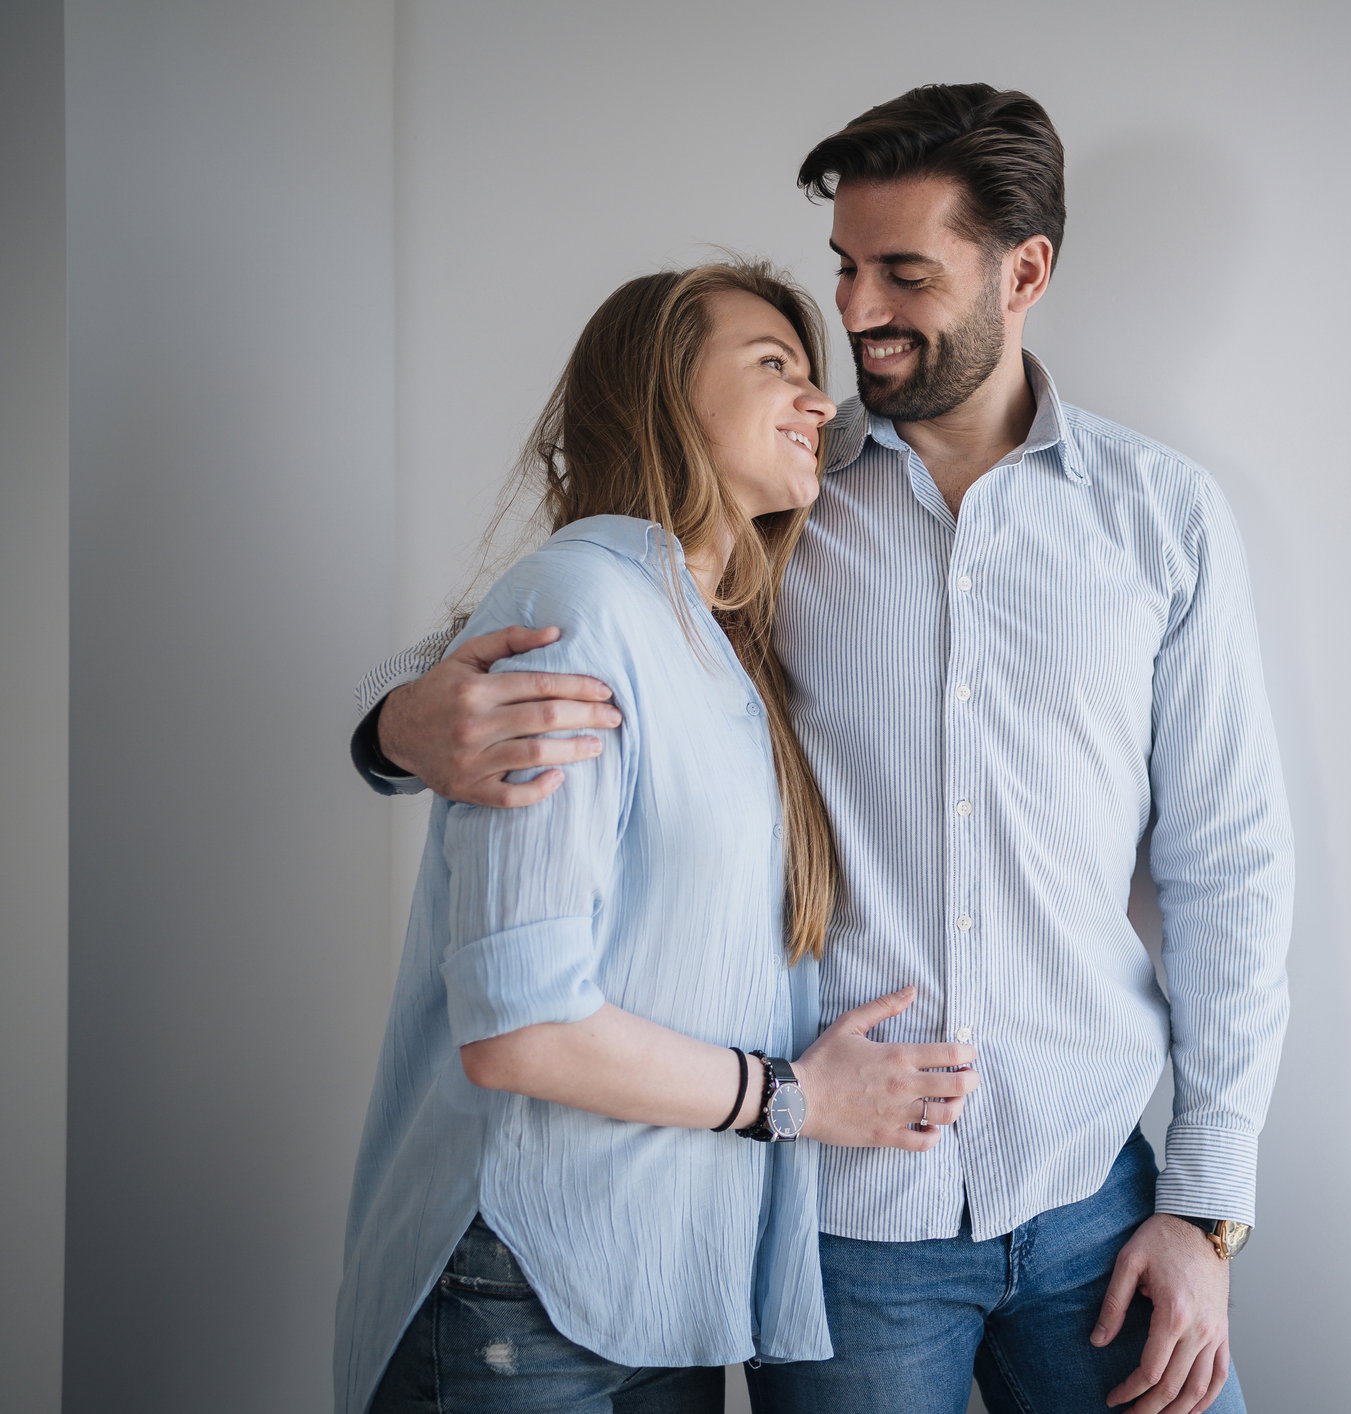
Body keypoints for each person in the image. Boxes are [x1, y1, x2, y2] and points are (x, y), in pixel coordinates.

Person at [352, 85, 1289, 1414]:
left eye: (904, 273)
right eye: (845, 269)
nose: (853, 314)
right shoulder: (779, 506)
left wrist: (1208, 1210)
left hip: (1096, 1192)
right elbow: (545, 622)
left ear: (1023, 273)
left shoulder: (1163, 520)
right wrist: (396, 722)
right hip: (841, 1226)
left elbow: (1229, 869)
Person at [335, 260, 981, 1414]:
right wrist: (795, 1098)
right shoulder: (584, 606)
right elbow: (522, 1029)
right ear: (663, 397)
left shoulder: (718, 637)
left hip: (660, 1285)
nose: (821, 403)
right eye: (774, 365)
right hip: (526, 1289)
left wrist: (391, 717)